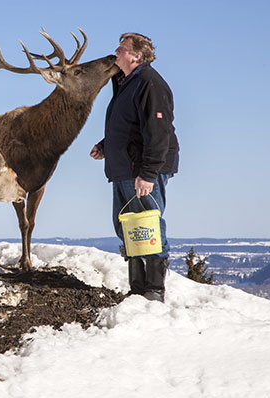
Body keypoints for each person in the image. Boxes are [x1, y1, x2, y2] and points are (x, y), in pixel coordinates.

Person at [90, 33, 179, 302]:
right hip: (124, 167)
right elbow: (128, 126)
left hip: (142, 168)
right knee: (128, 225)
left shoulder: (149, 83)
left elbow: (157, 130)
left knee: (147, 222)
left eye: (123, 48)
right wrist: (106, 145)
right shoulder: (125, 82)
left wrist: (149, 173)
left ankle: (153, 290)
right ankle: (138, 287)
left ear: (137, 56)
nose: (116, 51)